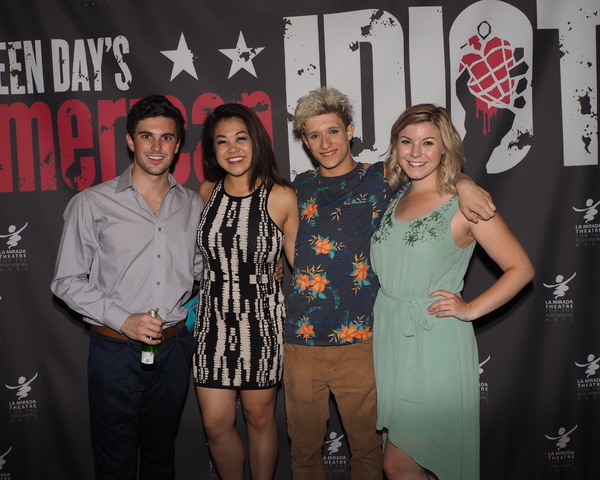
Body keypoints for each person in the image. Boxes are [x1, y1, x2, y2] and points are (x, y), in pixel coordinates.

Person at [283, 87, 497, 480]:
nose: (324, 143)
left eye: (332, 131)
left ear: (350, 131)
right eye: (313, 135)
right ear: (304, 141)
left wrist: (464, 181)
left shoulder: (383, 178)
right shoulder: (296, 188)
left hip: (364, 338)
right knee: (304, 453)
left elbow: (430, 174)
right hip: (302, 337)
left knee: (369, 452)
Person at [371, 104, 535, 480]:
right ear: (394, 146)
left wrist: (471, 309)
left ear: (445, 147)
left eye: (428, 143)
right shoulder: (394, 199)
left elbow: (521, 268)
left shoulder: (464, 204)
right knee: (422, 463)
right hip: (393, 341)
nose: (415, 153)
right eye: (406, 142)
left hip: (434, 344)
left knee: (399, 464)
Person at [50, 95, 202, 480]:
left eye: (166, 138)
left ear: (178, 143)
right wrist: (124, 320)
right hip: (115, 353)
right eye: (146, 136)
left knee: (160, 460)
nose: (156, 147)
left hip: (171, 353)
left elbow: (201, 269)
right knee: (115, 465)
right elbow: (66, 281)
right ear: (131, 141)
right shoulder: (92, 202)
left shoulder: (193, 205)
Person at [193, 103, 299, 480]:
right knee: (215, 424)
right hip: (213, 322)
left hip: (262, 321)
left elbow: (299, 269)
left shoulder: (281, 196)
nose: (232, 148)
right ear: (211, 150)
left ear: (256, 141)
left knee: (259, 417)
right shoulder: (205, 192)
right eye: (221, 141)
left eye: (240, 138)